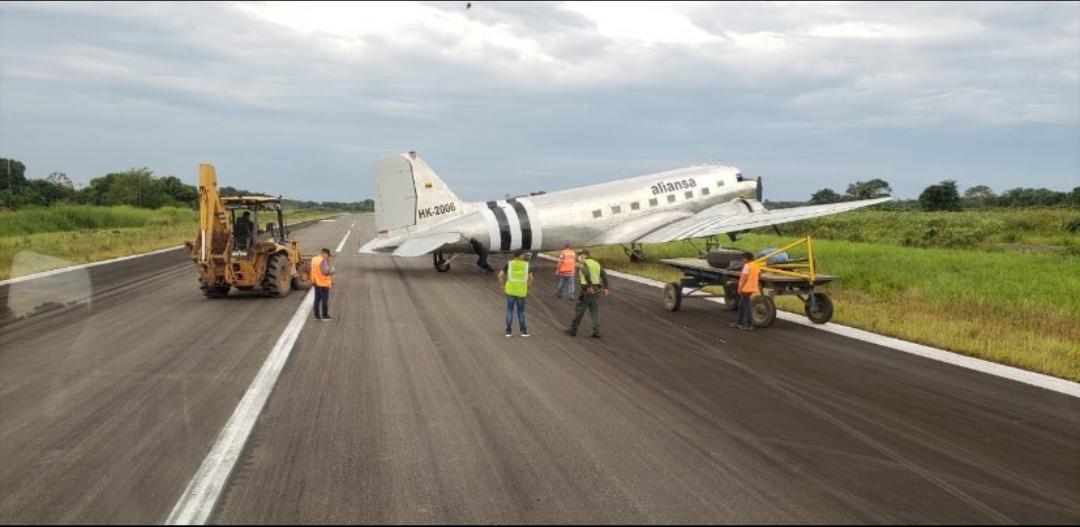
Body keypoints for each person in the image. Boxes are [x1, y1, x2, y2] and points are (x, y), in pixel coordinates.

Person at [564, 249, 610, 338]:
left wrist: (589, 286)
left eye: (580, 255)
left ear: (585, 255)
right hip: (596, 290)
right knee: (594, 312)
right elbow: (604, 275)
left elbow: (586, 273)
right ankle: (597, 332)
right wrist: (606, 288)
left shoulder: (584, 264)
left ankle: (573, 330)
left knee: (579, 310)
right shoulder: (596, 263)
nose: (578, 257)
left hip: (587, 290)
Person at [497, 250, 535, 337]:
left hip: (510, 291)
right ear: (519, 255)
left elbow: (500, 275)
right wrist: (527, 286)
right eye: (523, 255)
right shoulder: (526, 265)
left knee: (509, 311)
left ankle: (508, 331)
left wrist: (502, 286)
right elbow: (532, 278)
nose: (524, 256)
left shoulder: (509, 264)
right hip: (521, 292)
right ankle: (523, 331)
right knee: (521, 312)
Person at [731, 252, 761, 331]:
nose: (743, 260)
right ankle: (739, 322)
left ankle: (749, 324)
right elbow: (758, 275)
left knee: (746, 306)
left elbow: (744, 278)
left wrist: (740, 287)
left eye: (743, 258)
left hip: (745, 288)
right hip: (752, 288)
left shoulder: (747, 266)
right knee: (741, 305)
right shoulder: (756, 265)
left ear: (747, 258)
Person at [310, 248, 335, 321]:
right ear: (325, 253)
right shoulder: (323, 261)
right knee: (324, 300)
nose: (328, 257)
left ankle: (316, 316)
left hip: (316, 282)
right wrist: (332, 270)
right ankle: (325, 315)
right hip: (323, 283)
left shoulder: (314, 259)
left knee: (317, 300)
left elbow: (313, 270)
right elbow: (326, 272)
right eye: (328, 255)